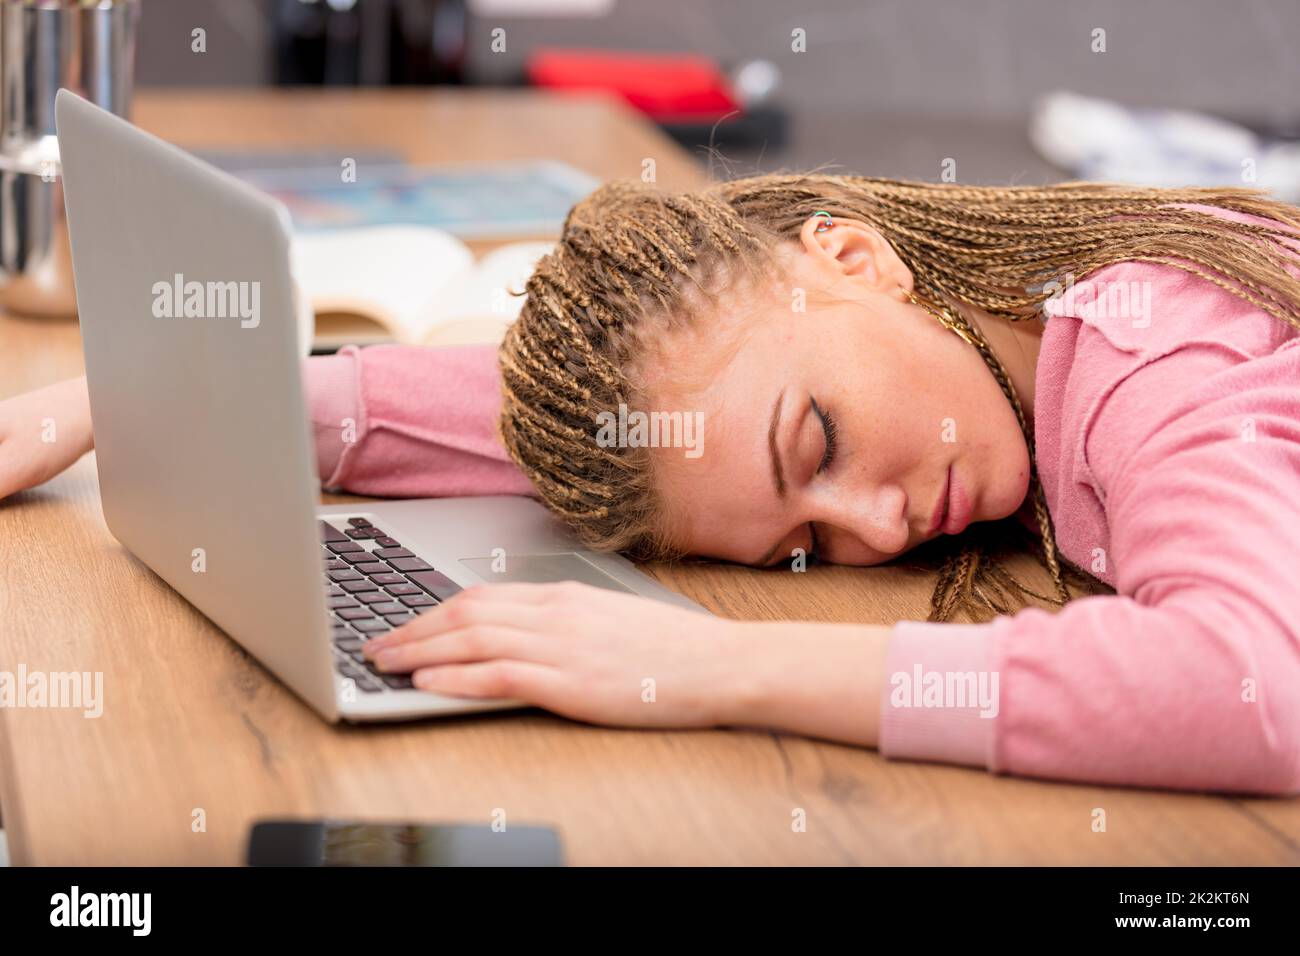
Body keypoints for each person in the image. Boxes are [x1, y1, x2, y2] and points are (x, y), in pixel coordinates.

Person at [4, 175, 1299, 793]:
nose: (877, 523)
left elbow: (1253, 689)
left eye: (820, 449)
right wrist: (116, 407)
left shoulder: (1161, 358)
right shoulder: (916, 336)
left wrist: (706, 668)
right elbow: (665, 429)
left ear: (854, 257)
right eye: (796, 539)